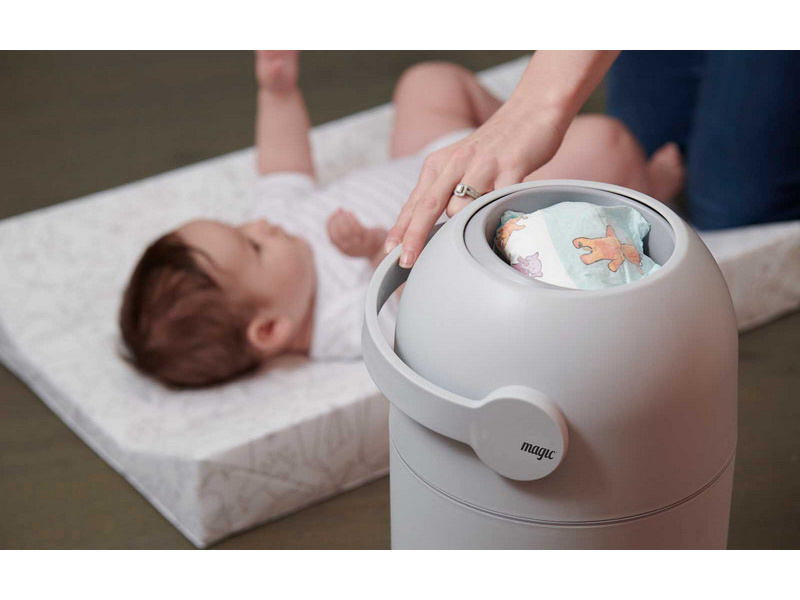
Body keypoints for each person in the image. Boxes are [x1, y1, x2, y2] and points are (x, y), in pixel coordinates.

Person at [120, 51, 682, 388]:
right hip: (485, 202)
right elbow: (422, 312)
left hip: (429, 158)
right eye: (252, 248)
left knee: (428, 82)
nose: (260, 226)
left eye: (240, 227)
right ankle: (646, 189)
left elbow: (282, 162)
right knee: (607, 144)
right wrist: (375, 250)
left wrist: (277, 91)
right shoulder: (338, 323)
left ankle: (512, 128)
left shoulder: (274, 222)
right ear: (271, 329)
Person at [386, 50, 800, 268]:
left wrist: (533, 109)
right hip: (440, 173)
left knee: (734, 206)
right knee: (656, 149)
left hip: (440, 160)